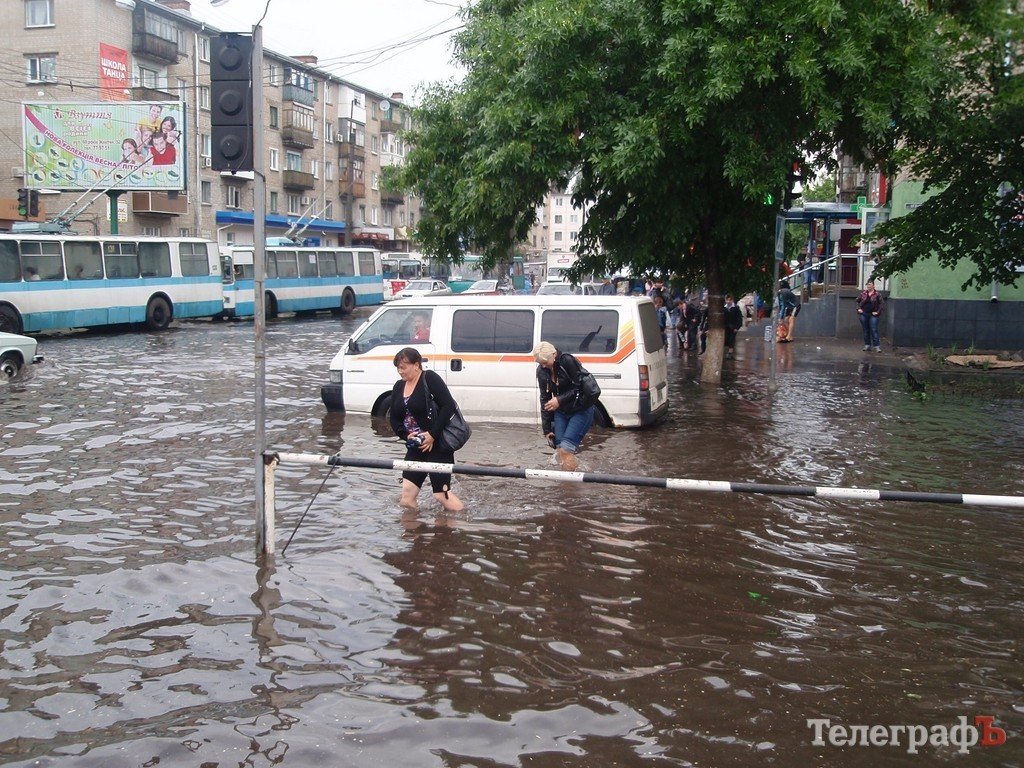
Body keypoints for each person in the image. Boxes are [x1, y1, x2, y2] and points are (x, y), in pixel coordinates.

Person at [389, 347, 464, 513]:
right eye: (397, 368)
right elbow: (393, 417)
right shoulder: (398, 386)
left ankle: (461, 523)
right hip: (415, 446)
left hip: (437, 446)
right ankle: (415, 534)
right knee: (407, 497)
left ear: (416, 365)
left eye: (403, 367)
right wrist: (405, 435)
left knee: (441, 495)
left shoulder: (429, 378)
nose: (400, 371)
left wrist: (432, 435)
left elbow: (448, 406)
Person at [533, 341, 596, 472]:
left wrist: (559, 400)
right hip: (561, 411)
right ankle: (569, 481)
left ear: (554, 354)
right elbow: (544, 398)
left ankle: (570, 487)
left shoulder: (567, 361)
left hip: (580, 408)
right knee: (560, 449)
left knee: (566, 449)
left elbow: (579, 387)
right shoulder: (541, 371)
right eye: (540, 363)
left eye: (545, 362)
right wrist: (547, 429)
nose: (543, 366)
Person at [856, 279, 884, 352]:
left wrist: (877, 312)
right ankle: (867, 345)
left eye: (870, 284)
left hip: (873, 314)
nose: (868, 286)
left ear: (873, 285)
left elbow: (881, 304)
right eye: (867, 284)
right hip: (864, 314)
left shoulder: (877, 294)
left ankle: (877, 346)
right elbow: (857, 301)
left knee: (874, 329)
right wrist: (858, 308)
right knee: (866, 330)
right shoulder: (863, 294)